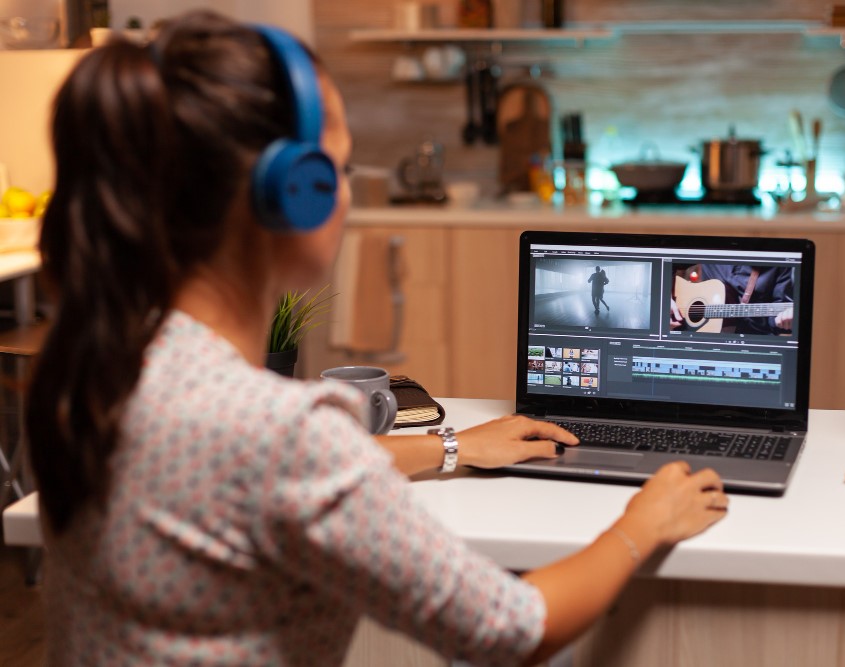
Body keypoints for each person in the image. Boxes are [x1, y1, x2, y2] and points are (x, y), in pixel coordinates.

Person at [26, 11, 728, 666]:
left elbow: (257, 479)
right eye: (341, 164)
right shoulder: (281, 435)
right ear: (293, 190)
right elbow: (513, 627)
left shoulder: (97, 365)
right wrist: (642, 522)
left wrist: (455, 446)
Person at [669, 264, 794, 335]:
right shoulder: (713, 242)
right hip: (698, 341)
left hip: (750, 344)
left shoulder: (779, 262)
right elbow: (666, 261)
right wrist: (666, 298)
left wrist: (784, 320)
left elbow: (777, 313)